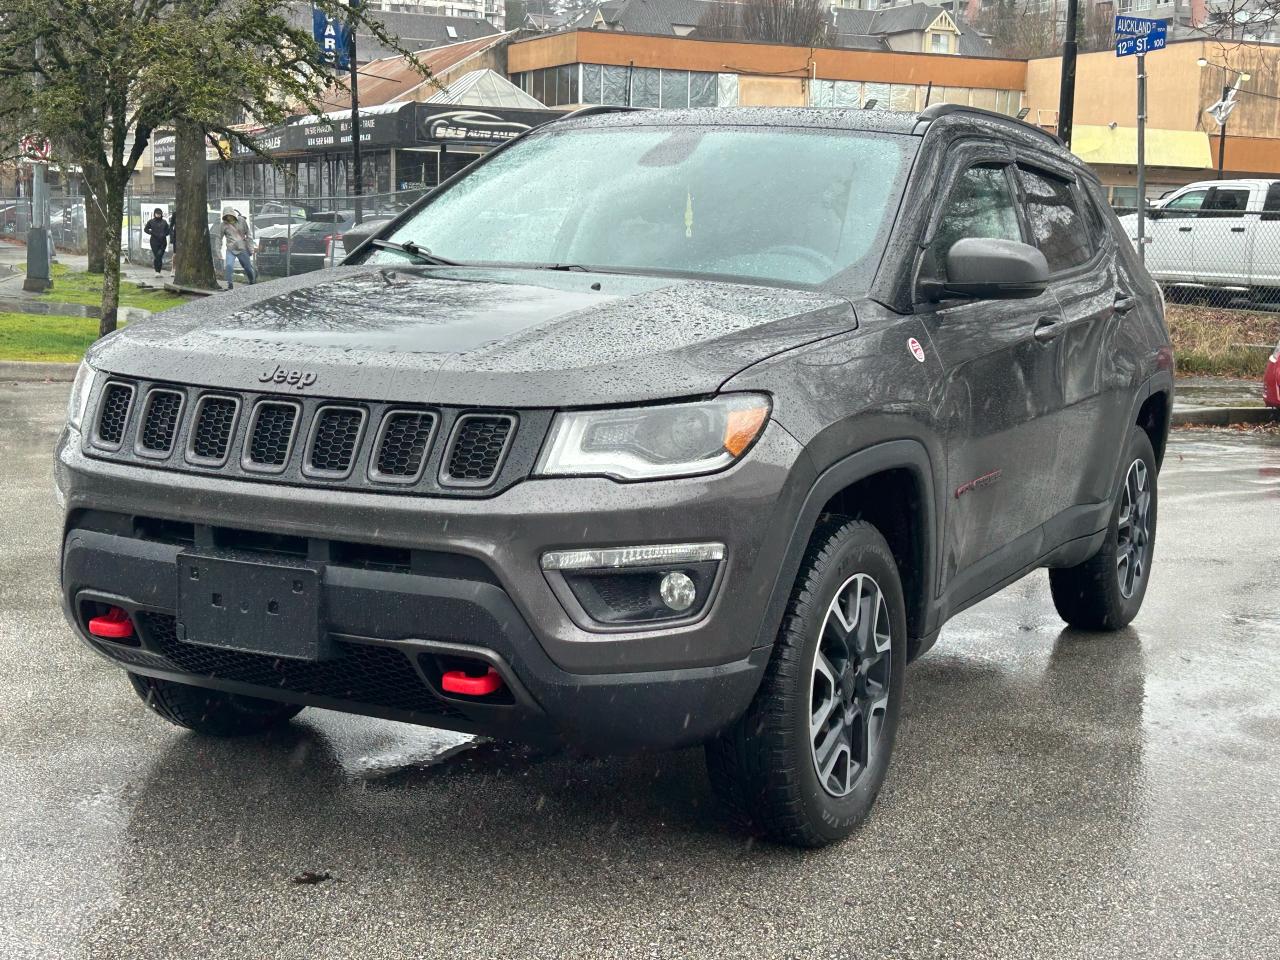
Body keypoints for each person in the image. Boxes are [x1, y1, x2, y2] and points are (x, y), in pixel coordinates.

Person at [220, 210, 256, 289]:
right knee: (229, 265)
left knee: (248, 267)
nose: (228, 217)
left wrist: (251, 248)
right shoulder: (223, 225)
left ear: (233, 214)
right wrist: (218, 251)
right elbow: (219, 238)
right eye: (226, 216)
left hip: (242, 248)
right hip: (230, 249)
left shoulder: (241, 220)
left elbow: (248, 234)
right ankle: (230, 284)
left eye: (229, 215)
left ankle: (252, 281)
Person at [142, 208, 171, 275]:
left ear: (161, 214)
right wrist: (150, 232)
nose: (158, 215)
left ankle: (158, 271)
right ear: (154, 214)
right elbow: (145, 229)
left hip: (163, 242)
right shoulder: (151, 221)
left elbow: (168, 230)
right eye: (157, 214)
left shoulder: (164, 222)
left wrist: (164, 234)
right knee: (157, 255)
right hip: (154, 241)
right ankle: (157, 271)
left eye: (159, 214)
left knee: (160, 255)